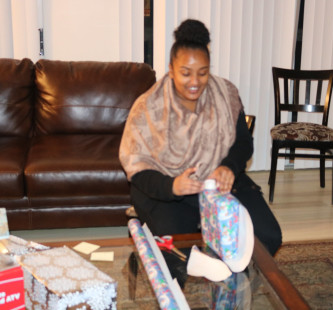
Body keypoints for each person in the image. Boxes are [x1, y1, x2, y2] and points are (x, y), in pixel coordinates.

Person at [119, 19, 282, 255]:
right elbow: (137, 168)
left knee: (267, 235)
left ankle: (233, 282)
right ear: (171, 70)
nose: (195, 82)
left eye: (202, 73)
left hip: (218, 185)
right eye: (186, 73)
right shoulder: (148, 107)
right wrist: (172, 185)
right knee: (179, 250)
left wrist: (228, 167)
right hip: (166, 190)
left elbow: (244, 142)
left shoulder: (225, 95)